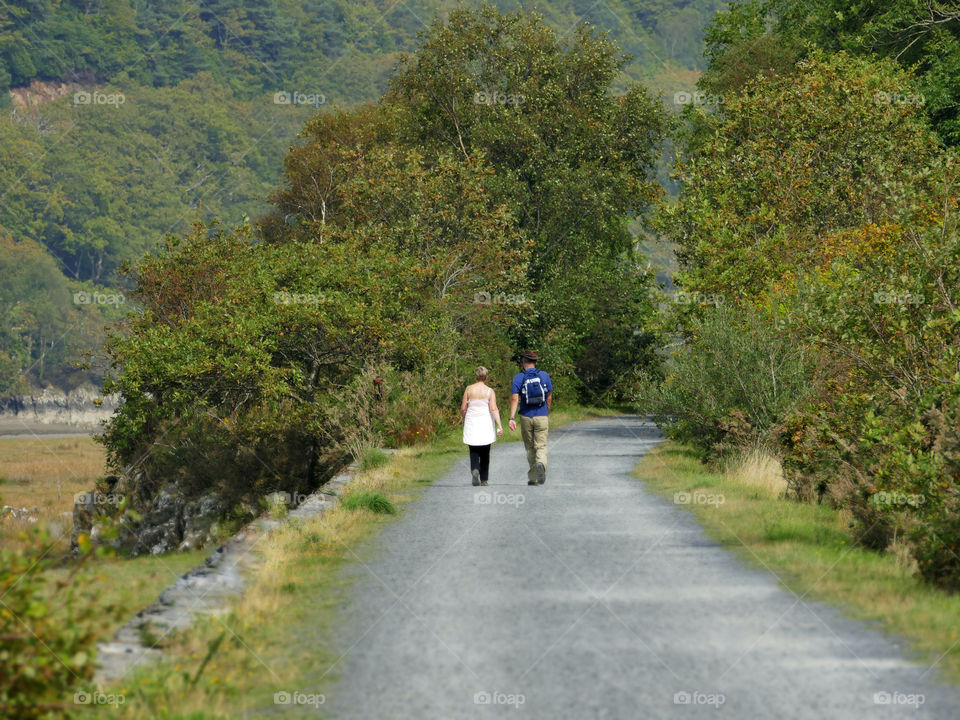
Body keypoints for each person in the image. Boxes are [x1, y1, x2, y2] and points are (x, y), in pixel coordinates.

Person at [508, 350, 553, 485]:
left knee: (529, 447)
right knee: (541, 445)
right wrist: (547, 411)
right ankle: (541, 464)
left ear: (523, 361)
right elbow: (549, 396)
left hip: (526, 416)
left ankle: (533, 478)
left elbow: (515, 399)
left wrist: (511, 418)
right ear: (535, 361)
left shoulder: (518, 377)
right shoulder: (544, 375)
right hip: (542, 415)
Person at [461, 366, 503, 486]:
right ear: (486, 377)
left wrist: (464, 417)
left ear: (476, 376)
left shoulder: (469, 389)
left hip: (472, 421)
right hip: (485, 422)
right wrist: (499, 425)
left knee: (473, 449)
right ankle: (484, 479)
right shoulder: (490, 391)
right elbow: (493, 408)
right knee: (485, 451)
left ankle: (475, 469)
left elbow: (463, 408)